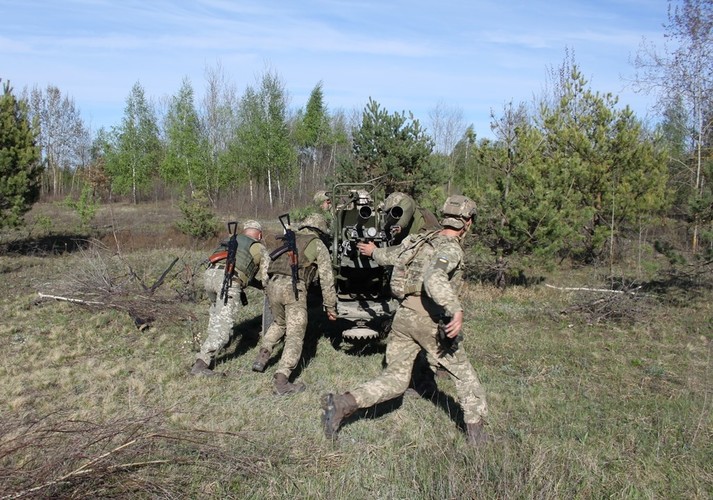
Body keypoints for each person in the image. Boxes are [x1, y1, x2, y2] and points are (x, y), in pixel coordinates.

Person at [320, 195, 489, 445]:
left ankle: (342, 404)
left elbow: (391, 256)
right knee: (465, 377)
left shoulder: (418, 240)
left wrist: (372, 251)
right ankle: (478, 438)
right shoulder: (451, 249)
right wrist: (456, 309)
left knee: (396, 379)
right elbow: (434, 278)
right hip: (429, 320)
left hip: (403, 318)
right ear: (469, 221)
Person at [252, 213, 338, 395]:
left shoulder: (288, 238)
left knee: (279, 323)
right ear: (320, 230)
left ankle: (262, 356)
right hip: (293, 288)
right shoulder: (317, 244)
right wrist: (330, 307)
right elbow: (327, 279)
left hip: (273, 284)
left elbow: (269, 264)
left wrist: (267, 287)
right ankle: (282, 381)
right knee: (294, 335)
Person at [191, 220, 269, 377]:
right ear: (259, 235)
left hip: (209, 276)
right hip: (227, 281)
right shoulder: (259, 248)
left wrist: (256, 284)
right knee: (224, 327)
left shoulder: (232, 239)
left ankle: (209, 344)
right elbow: (266, 276)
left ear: (245, 231)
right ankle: (201, 363)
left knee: (216, 314)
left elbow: (240, 269)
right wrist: (267, 287)